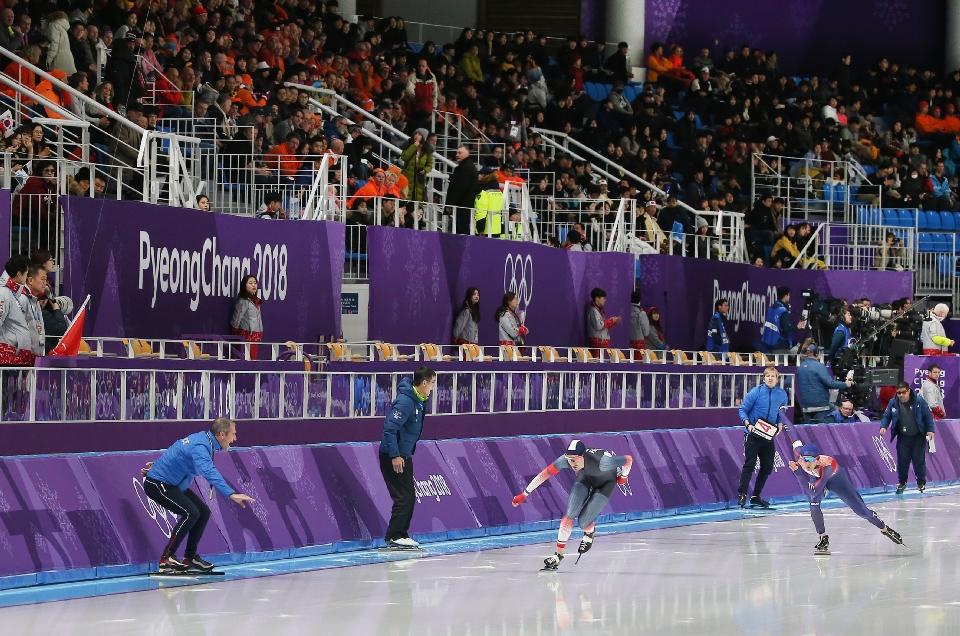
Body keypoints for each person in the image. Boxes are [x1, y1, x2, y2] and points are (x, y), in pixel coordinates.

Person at [140, 418, 256, 572]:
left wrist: (157, 464)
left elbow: (178, 451)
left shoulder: (203, 439)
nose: (235, 438)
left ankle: (190, 557)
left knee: (203, 512)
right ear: (222, 434)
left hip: (171, 483)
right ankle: (167, 557)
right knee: (190, 513)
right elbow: (209, 471)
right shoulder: (201, 446)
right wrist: (231, 494)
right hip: (158, 484)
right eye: (233, 434)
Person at [512, 439, 633, 571]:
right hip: (586, 478)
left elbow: (628, 459)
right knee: (569, 514)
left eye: (574, 460)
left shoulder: (603, 462)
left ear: (583, 457)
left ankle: (589, 532)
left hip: (606, 483)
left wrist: (623, 477)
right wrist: (524, 494)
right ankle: (558, 556)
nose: (571, 464)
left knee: (583, 522)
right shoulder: (566, 460)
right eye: (569, 460)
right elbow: (545, 474)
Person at [788, 443, 904, 555]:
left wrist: (798, 474)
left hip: (838, 483)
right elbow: (790, 430)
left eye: (811, 460)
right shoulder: (799, 455)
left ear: (817, 459)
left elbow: (814, 491)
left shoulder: (827, 466)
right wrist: (779, 423)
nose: (807, 463)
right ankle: (823, 537)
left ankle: (885, 529)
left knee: (863, 512)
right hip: (817, 480)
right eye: (805, 459)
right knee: (813, 503)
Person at [379, 366, 436, 549]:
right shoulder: (405, 402)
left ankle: (400, 534)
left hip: (404, 455)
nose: (433, 387)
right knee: (404, 496)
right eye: (433, 383)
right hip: (392, 455)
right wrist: (395, 455)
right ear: (424, 383)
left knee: (408, 495)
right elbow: (389, 428)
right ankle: (394, 536)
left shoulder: (419, 401)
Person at [737, 367, 790, 508]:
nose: (770, 378)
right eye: (767, 376)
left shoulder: (782, 394)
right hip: (752, 434)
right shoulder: (756, 392)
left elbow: (781, 412)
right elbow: (742, 409)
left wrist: (779, 423)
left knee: (767, 467)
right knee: (750, 464)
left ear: (777, 379)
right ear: (764, 378)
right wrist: (748, 424)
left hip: (767, 435)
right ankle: (742, 494)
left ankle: (756, 495)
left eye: (773, 376)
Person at [879, 381, 935, 494]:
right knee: (902, 461)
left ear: (908, 391)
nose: (901, 395)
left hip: (918, 435)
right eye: (898, 393)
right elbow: (887, 415)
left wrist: (930, 429)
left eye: (903, 392)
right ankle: (902, 481)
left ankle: (921, 481)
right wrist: (883, 426)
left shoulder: (919, 401)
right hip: (903, 436)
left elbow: (927, 415)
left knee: (918, 459)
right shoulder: (893, 402)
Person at [797, 340, 854, 421]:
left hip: (806, 407)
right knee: (832, 418)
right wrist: (846, 384)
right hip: (820, 406)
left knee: (808, 430)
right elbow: (831, 384)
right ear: (816, 353)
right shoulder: (819, 366)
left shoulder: (800, 368)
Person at [0, 255, 36, 365]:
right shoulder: (4, 293)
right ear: (19, 274)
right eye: (26, 274)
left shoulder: (12, 292)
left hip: (16, 353)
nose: (27, 278)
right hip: (8, 353)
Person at [761, 286, 806, 353]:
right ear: (786, 295)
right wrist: (797, 327)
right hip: (779, 346)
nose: (789, 297)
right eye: (789, 295)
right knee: (780, 363)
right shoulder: (782, 310)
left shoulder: (771, 308)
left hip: (768, 344)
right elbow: (787, 328)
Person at [445, 146, 478, 234]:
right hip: (463, 207)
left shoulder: (465, 168)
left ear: (467, 154)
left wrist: (450, 204)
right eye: (456, 153)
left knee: (461, 232)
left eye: (460, 153)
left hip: (462, 207)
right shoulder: (466, 167)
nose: (457, 155)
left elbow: (459, 189)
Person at [230, 275, 262, 360]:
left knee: (253, 360)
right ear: (244, 285)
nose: (253, 285)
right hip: (247, 335)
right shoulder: (243, 301)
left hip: (255, 335)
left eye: (255, 283)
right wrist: (236, 331)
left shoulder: (256, 302)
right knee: (245, 360)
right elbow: (236, 318)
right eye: (250, 283)